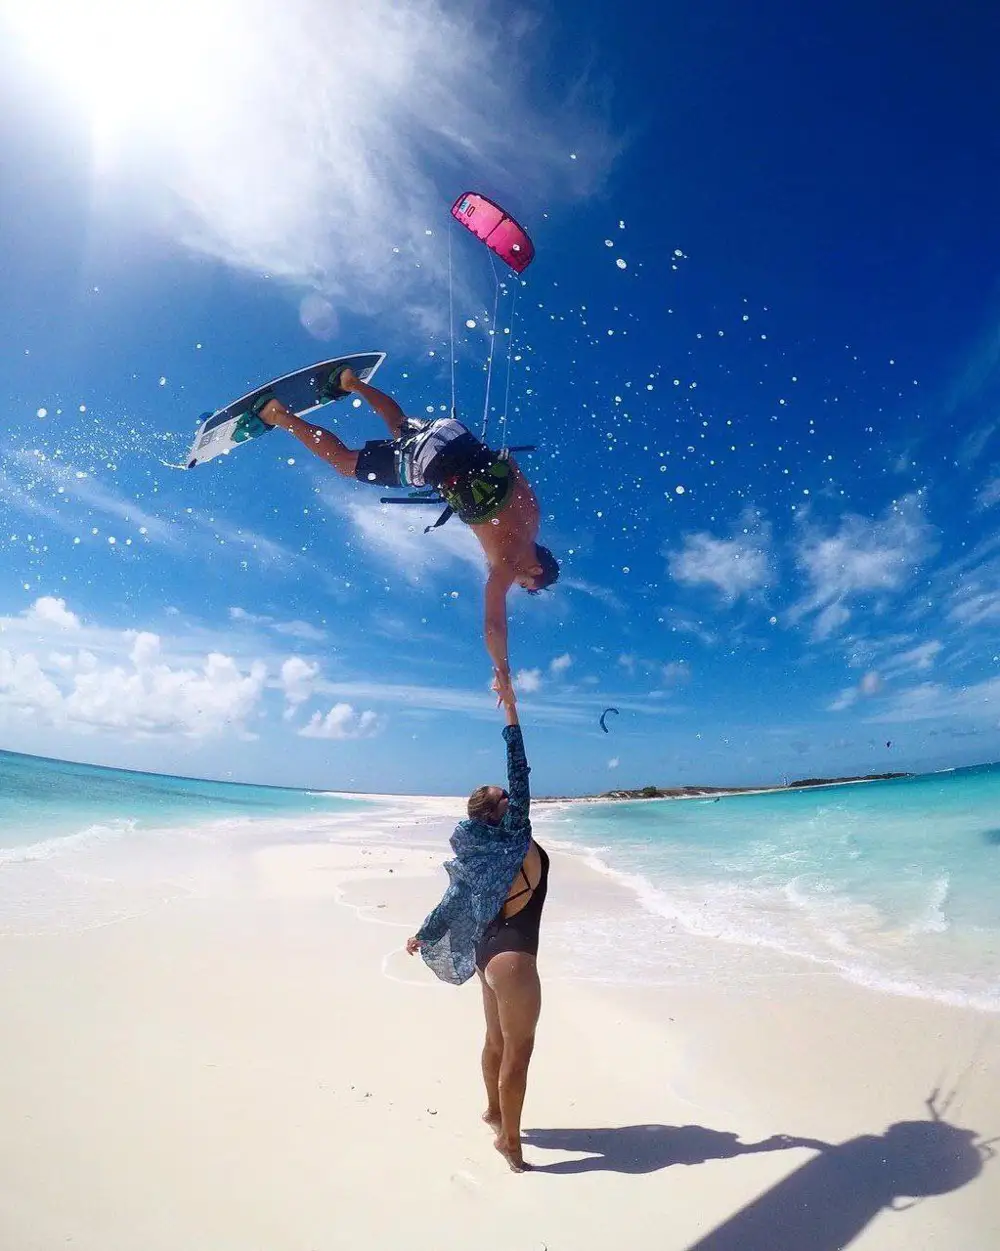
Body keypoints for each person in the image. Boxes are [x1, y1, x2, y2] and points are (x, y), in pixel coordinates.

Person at [254, 367, 559, 684]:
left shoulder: (533, 514)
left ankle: (350, 381)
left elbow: (509, 461)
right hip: (433, 462)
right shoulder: (508, 561)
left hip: (454, 434)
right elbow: (493, 626)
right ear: (536, 570)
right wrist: (502, 673)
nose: (516, 583)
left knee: (400, 426)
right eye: (524, 584)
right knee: (345, 462)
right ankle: (276, 414)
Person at [405, 677, 548, 1173]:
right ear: (498, 812)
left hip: (487, 952)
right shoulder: (515, 835)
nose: (514, 795)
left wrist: (422, 933)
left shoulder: (479, 856)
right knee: (520, 1050)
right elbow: (521, 767)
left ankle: (492, 1111)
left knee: (494, 1041)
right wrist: (511, 714)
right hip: (513, 955)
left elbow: (450, 902)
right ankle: (510, 1141)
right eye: (506, 796)